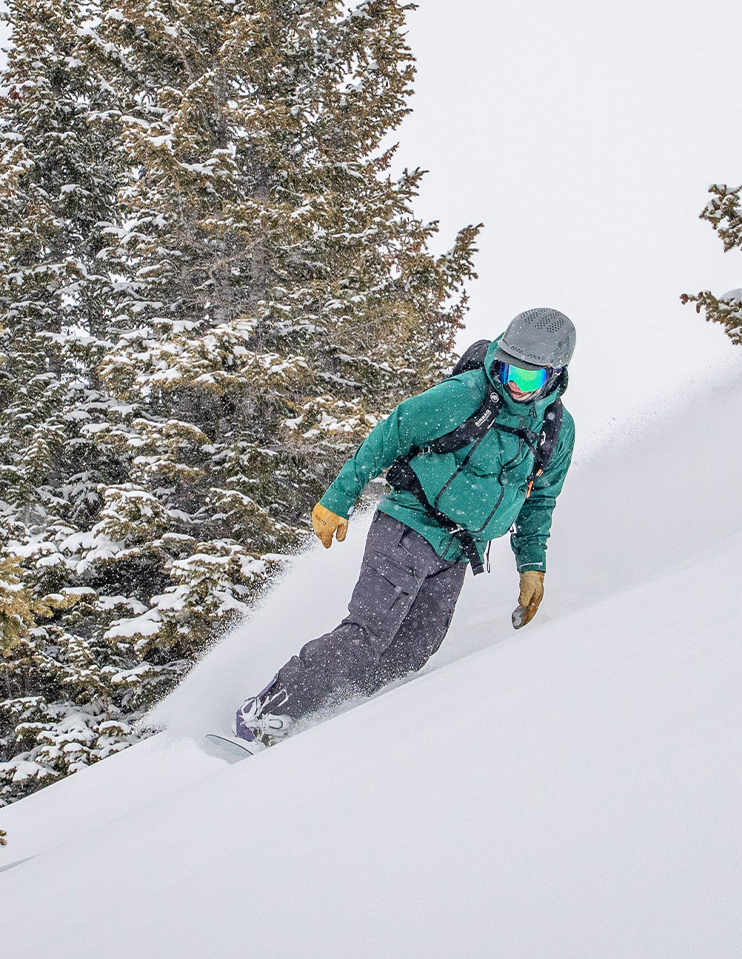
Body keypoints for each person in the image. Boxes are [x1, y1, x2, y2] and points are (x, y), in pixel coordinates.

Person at [217, 308, 577, 756]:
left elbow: (539, 499)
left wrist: (531, 567)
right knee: (366, 635)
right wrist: (337, 498)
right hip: (407, 524)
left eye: (525, 379)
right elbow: (392, 432)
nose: (510, 385)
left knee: (414, 649)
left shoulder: (555, 432)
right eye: (505, 369)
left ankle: (332, 713)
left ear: (553, 378)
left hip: (457, 550)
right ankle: (260, 715)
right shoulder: (465, 394)